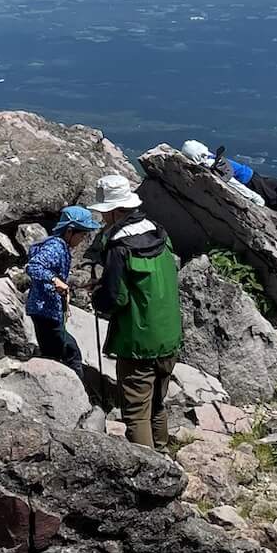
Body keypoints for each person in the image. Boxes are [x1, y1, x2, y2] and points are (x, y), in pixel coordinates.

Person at [90, 173, 183, 451]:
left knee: (135, 410)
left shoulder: (119, 248)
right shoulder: (159, 233)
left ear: (117, 211)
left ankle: (150, 470)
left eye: (106, 213)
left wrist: (97, 296)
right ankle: (164, 451)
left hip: (138, 342)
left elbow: (114, 298)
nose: (104, 219)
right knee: (156, 402)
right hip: (169, 336)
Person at [181, 138, 277, 238]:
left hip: (253, 176)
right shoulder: (212, 164)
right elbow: (232, 182)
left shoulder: (210, 158)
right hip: (251, 182)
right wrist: (256, 198)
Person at [25, 205, 100, 377]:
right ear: (70, 231)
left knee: (55, 354)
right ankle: (78, 394)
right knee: (71, 352)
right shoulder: (56, 247)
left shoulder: (61, 247)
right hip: (44, 310)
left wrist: (77, 285)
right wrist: (54, 280)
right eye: (82, 234)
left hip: (48, 310)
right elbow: (33, 267)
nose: (83, 239)